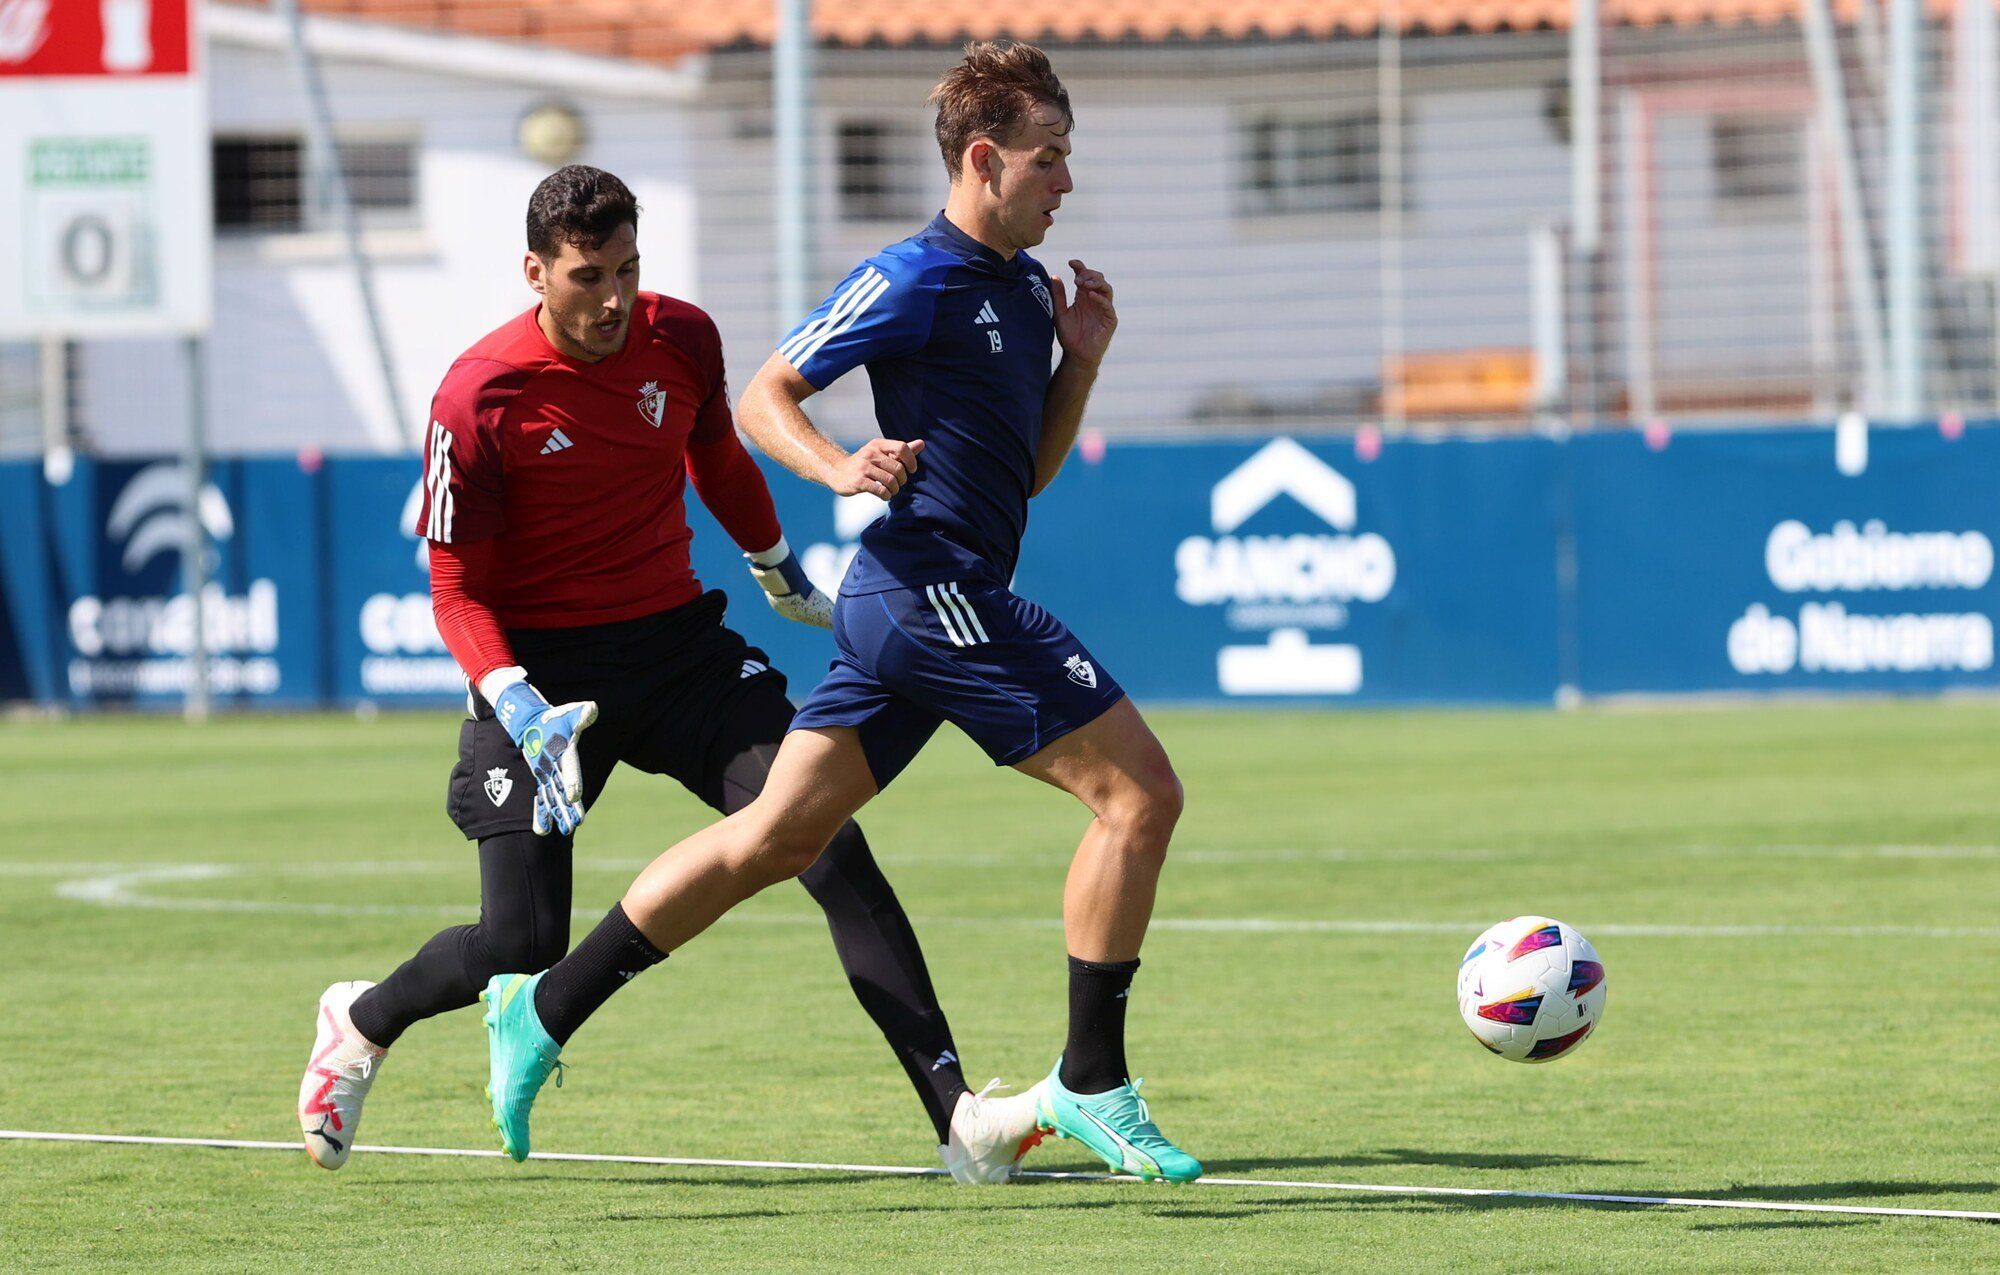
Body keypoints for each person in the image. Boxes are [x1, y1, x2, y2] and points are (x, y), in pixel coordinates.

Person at [482, 44, 1201, 1183]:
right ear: (981, 158)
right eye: (1047, 158)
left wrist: (1081, 367)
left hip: (926, 601)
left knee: (774, 837)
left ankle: (542, 1011)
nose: (1064, 182)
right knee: (1138, 794)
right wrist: (835, 466)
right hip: (930, 596)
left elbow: (1029, 480)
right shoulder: (910, 276)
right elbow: (768, 392)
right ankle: (1093, 1081)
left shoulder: (1022, 291)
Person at [297, 165, 1041, 1185]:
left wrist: (776, 566)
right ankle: (362, 1019)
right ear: (536, 272)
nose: (613, 300)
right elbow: (455, 589)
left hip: (679, 655)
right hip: (541, 679)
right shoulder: (477, 398)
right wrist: (518, 704)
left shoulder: (680, 336)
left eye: (629, 270)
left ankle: (957, 1121)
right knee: (520, 943)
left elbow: (716, 460)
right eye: (588, 276)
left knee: (825, 844)